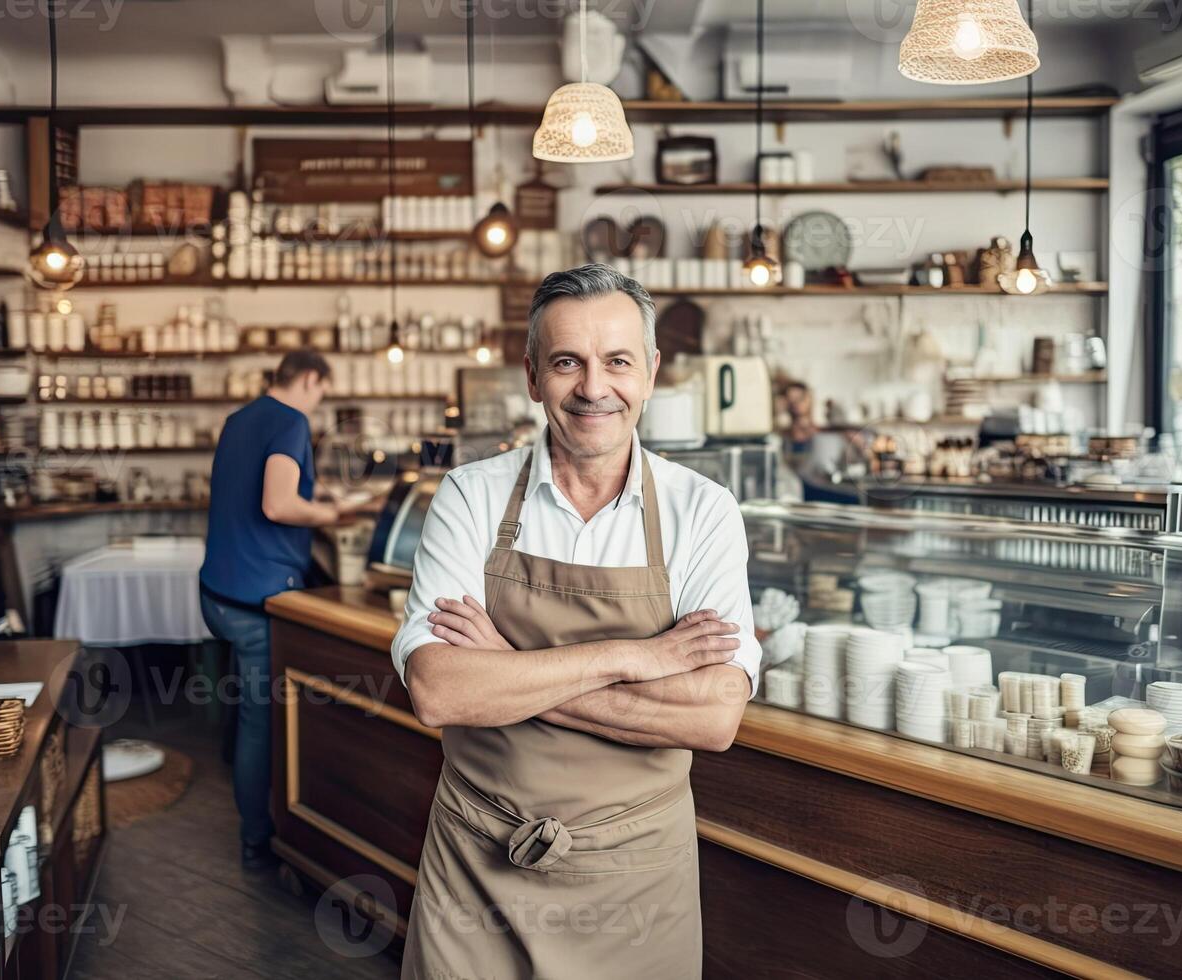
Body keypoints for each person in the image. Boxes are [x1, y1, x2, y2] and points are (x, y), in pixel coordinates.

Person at [393, 264, 761, 979]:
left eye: (617, 361)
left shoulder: (702, 510)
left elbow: (712, 719)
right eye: (567, 363)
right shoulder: (470, 496)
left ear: (650, 373)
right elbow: (441, 693)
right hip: (476, 859)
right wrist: (633, 655)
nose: (594, 388)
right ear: (533, 376)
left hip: (637, 874)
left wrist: (506, 661)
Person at [199, 349, 360, 869]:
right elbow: (278, 504)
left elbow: (258, 490)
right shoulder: (292, 421)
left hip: (216, 594)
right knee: (259, 719)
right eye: (321, 390)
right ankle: (257, 840)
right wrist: (330, 514)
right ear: (310, 378)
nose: (318, 400)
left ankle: (254, 807)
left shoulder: (240, 418)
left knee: (247, 708)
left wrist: (316, 494)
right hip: (255, 603)